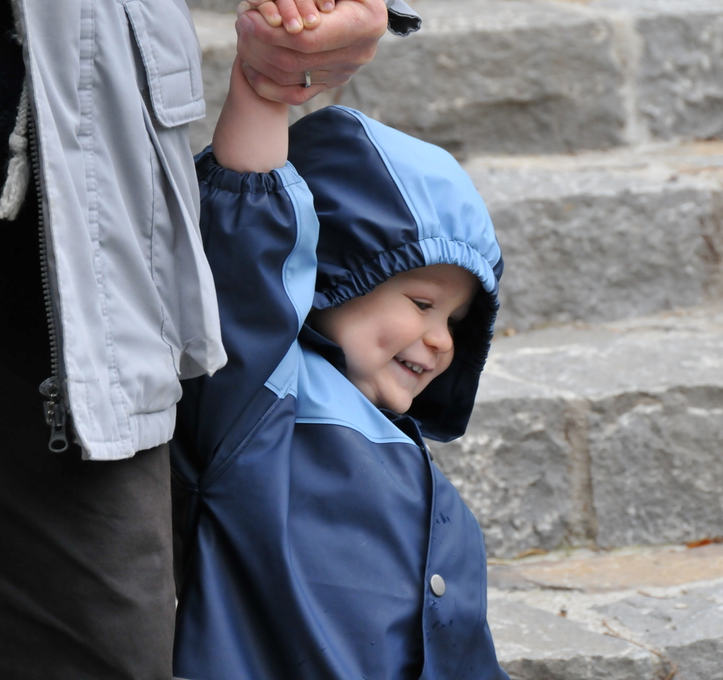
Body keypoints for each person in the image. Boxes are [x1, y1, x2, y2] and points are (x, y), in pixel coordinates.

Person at [0, 0, 416, 677]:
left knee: (106, 637)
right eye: (422, 304)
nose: (437, 344)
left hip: (31, 133)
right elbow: (253, 252)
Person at [169, 10, 509, 678]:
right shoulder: (259, 402)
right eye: (421, 304)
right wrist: (266, 88)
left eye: (455, 320)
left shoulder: (406, 458)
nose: (440, 340)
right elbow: (250, 237)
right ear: (327, 276)